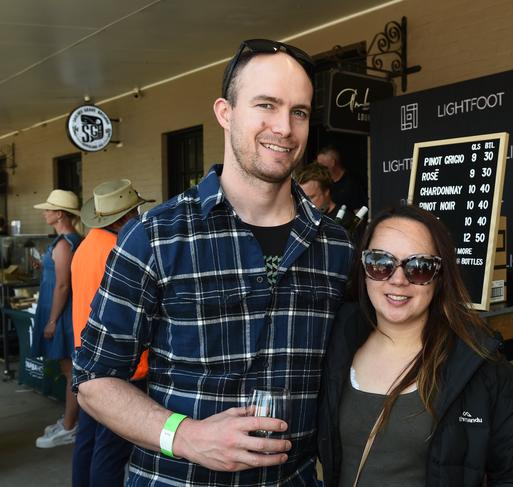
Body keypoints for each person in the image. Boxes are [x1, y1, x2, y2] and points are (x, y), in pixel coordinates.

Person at [73, 39, 354, 487]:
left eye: (299, 111)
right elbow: (93, 379)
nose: (284, 127)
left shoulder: (336, 245)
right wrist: (184, 435)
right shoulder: (155, 237)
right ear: (225, 113)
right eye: (266, 105)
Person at [319, 205, 513, 486]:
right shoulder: (332, 344)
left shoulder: (479, 364)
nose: (398, 279)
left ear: (439, 276)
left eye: (419, 267)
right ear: (363, 268)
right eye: (381, 263)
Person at [71, 179, 153, 487]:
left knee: (87, 442)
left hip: (86, 356)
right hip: (121, 365)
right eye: (135, 211)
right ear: (122, 217)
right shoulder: (122, 249)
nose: (138, 216)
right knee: (112, 450)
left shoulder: (85, 246)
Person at [32, 189, 83, 448]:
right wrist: (45, 267)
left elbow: (63, 286)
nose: (44, 212)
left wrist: (51, 321)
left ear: (60, 214)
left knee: (70, 373)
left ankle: (70, 426)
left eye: (48, 209)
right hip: (64, 313)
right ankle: (71, 420)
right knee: (70, 372)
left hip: (63, 316)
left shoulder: (65, 244)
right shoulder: (67, 241)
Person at [294, 162, 352, 227]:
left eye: (310, 197)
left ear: (326, 192)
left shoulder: (346, 220)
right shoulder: (300, 218)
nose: (304, 203)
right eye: (301, 197)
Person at [316, 145, 367, 212]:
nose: (318, 168)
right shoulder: (323, 181)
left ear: (332, 163)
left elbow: (359, 211)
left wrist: (353, 222)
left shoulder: (352, 183)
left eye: (321, 164)